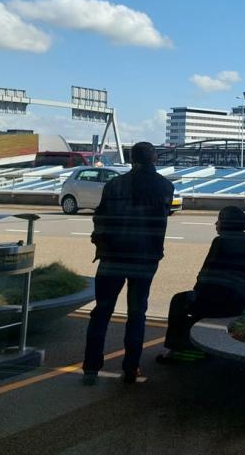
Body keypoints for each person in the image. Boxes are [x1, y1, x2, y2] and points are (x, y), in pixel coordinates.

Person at [82, 141, 174, 385]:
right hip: (145, 259)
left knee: (101, 312)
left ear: (132, 159)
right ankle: (131, 369)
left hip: (112, 258)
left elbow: (100, 218)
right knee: (137, 313)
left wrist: (102, 243)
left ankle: (91, 368)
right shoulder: (165, 186)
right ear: (154, 158)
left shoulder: (115, 185)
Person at [155, 206, 245, 363]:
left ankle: (179, 349)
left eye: (219, 219)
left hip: (225, 301)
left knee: (179, 301)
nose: (216, 223)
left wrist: (196, 294)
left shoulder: (221, 241)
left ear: (226, 223)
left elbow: (207, 275)